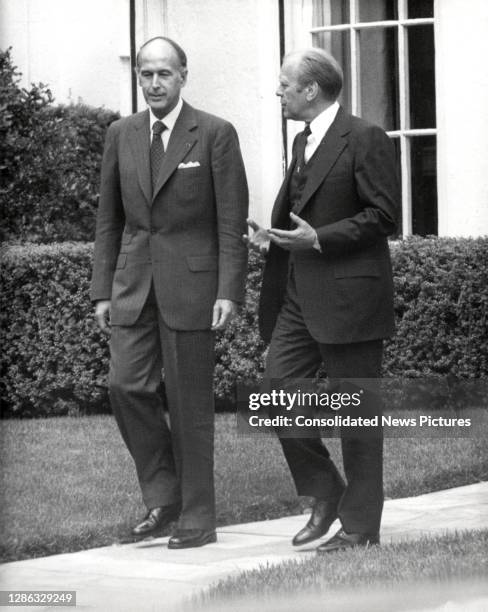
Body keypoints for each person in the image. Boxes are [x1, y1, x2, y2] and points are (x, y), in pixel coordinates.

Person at [91, 36, 248, 549]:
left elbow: (229, 222)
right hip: (134, 285)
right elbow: (108, 221)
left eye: (164, 74)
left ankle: (198, 519)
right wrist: (102, 290)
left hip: (194, 287)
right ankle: (164, 495)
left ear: (184, 75)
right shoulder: (121, 133)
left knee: (189, 405)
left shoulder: (215, 134)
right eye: (145, 74)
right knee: (125, 387)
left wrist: (229, 290)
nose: (154, 83)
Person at [244, 48, 399, 553]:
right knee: (277, 389)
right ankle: (327, 490)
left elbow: (383, 216)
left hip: (351, 298)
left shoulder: (366, 137)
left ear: (311, 90)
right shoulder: (301, 140)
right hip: (297, 294)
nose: (278, 92)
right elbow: (302, 212)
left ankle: (359, 528)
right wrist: (274, 236)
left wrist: (319, 239)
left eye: (285, 84)